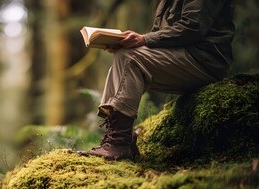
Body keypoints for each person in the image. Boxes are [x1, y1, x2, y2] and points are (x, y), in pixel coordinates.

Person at [79, 0, 235, 160]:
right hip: (184, 56)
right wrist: (125, 43)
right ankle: (120, 138)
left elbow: (192, 27)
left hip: (204, 60)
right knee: (125, 55)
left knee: (129, 58)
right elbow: (158, 38)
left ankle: (119, 143)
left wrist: (143, 40)